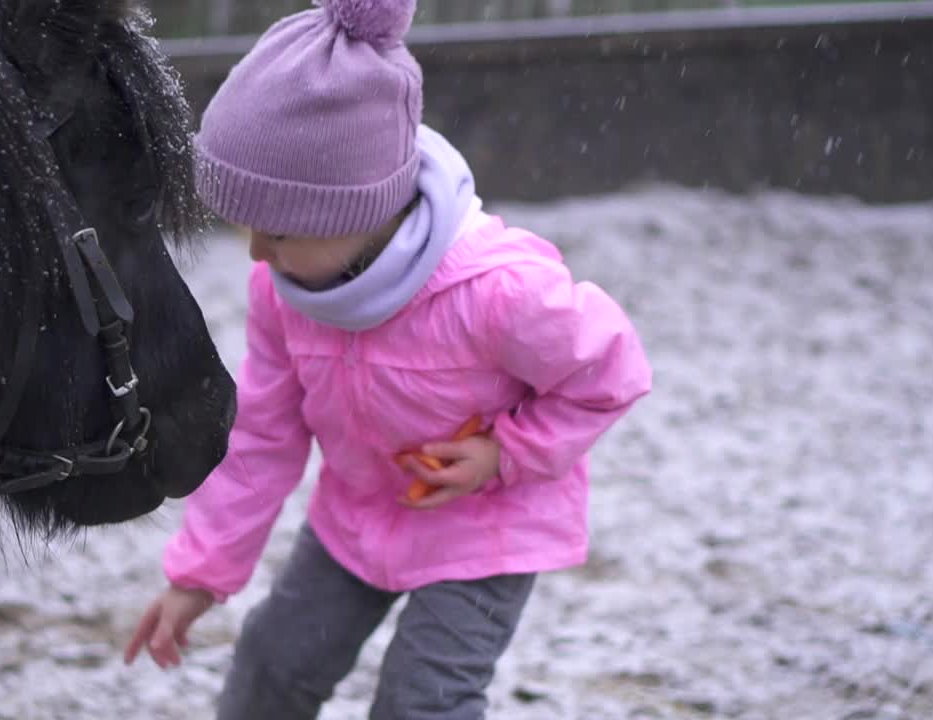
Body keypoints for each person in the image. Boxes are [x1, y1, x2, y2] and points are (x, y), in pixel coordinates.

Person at [123, 1, 652, 717]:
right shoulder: (284, 292)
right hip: (357, 515)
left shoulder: (500, 290)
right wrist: (200, 575)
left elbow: (611, 374)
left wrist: (508, 453)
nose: (257, 252)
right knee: (272, 668)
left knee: (421, 700)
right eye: (246, 228)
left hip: (486, 525)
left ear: (353, 210)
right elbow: (261, 437)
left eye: (275, 230)